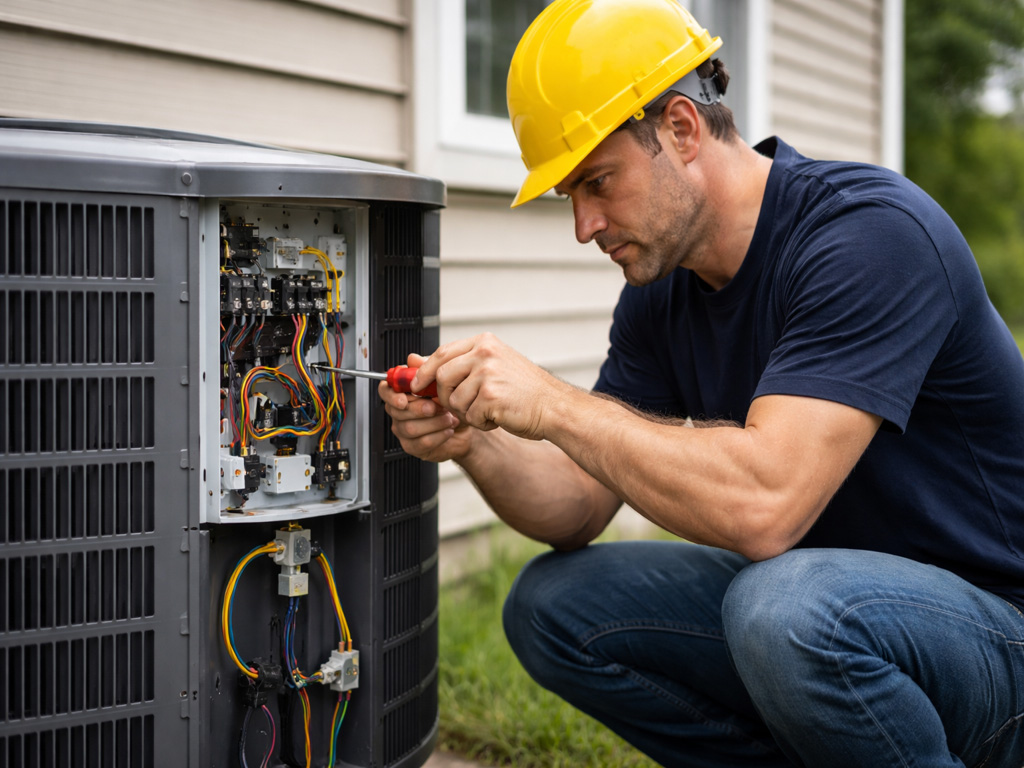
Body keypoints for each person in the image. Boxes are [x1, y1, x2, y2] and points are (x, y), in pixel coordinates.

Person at [381, 0, 1024, 765]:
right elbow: (579, 507)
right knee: (554, 606)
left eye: (597, 182)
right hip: (841, 621)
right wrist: (474, 441)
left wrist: (555, 402)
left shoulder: (869, 237)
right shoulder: (662, 292)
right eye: (569, 197)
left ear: (682, 129)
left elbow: (766, 508)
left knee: (782, 607)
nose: (584, 225)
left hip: (997, 636)